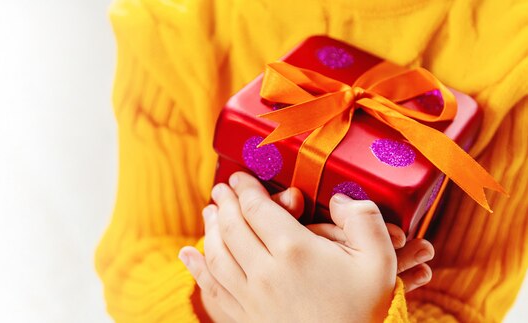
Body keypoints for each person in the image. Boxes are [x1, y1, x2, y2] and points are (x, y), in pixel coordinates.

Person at [94, 0, 528, 321]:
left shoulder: (515, 56)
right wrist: (232, 300)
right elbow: (134, 264)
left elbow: (462, 307)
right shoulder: (174, 19)